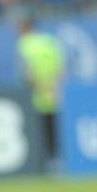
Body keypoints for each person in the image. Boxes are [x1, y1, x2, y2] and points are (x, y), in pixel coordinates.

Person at [17, 17, 66, 164]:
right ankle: (60, 160)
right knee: (57, 127)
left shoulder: (24, 44)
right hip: (55, 91)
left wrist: (40, 87)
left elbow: (27, 74)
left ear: (23, 28)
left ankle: (48, 161)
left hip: (38, 94)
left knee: (42, 130)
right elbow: (62, 68)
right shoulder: (49, 41)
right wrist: (54, 86)